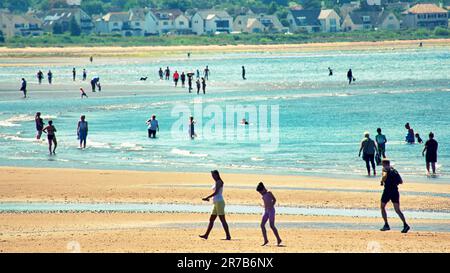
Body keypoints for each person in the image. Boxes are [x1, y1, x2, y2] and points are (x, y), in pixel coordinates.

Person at [379, 159, 410, 233]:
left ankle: (386, 225)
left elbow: (384, 176)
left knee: (382, 207)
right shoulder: (394, 170)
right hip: (395, 191)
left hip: (387, 191)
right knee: (397, 210)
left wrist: (382, 181)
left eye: (382, 163)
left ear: (384, 164)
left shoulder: (384, 169)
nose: (382, 165)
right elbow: (401, 181)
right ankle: (405, 225)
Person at [199, 170, 231, 240]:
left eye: (213, 175)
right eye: (212, 175)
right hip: (216, 202)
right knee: (211, 219)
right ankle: (206, 235)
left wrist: (207, 197)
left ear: (217, 175)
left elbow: (216, 192)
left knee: (222, 220)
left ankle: (228, 236)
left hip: (219, 202)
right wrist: (209, 198)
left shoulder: (219, 182)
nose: (213, 176)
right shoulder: (216, 182)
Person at [257, 182, 282, 246]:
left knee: (272, 225)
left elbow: (274, 199)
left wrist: (272, 205)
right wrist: (263, 206)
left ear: (263, 189)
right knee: (262, 225)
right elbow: (265, 203)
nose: (260, 194)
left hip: (271, 211)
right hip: (266, 211)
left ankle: (278, 239)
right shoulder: (263, 196)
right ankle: (266, 240)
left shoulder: (269, 192)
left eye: (261, 192)